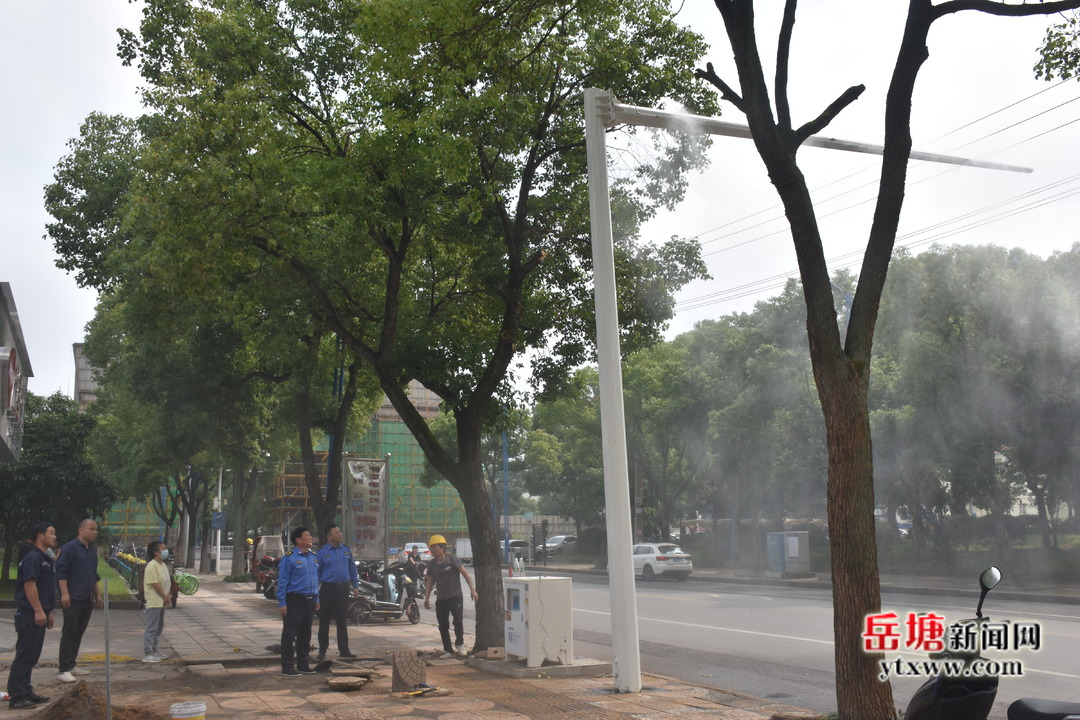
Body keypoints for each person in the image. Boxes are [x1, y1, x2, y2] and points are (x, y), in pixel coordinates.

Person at [6, 522, 58, 710]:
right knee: (24, 655)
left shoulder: (46, 558)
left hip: (41, 613)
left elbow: (47, 589)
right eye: (51, 533)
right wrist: (37, 610)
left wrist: (49, 611)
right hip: (29, 614)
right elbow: (29, 585)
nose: (55, 536)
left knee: (32, 655)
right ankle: (17, 696)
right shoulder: (32, 558)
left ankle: (26, 691)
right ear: (40, 536)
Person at [55, 519, 103, 682]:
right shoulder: (69, 548)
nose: (95, 532)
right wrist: (64, 593)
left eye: (96, 529)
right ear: (81, 530)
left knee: (79, 632)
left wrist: (97, 594)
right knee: (69, 631)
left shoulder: (91, 550)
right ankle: (63, 669)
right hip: (73, 597)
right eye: (91, 529)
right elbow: (62, 572)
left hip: (87, 597)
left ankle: (71, 664)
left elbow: (94, 574)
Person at [422, 534, 477, 659]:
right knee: (443, 625)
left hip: (455, 597)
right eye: (431, 548)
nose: (432, 550)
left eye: (435, 547)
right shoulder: (431, 564)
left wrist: (473, 590)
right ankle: (448, 650)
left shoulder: (452, 559)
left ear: (442, 548)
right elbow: (429, 581)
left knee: (458, 621)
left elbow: (465, 574)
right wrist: (426, 598)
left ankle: (460, 644)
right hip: (441, 599)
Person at [277, 527, 320, 677]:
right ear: (298, 540)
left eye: (310, 535)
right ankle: (287, 666)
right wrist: (282, 602)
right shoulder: (289, 558)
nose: (310, 538)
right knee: (289, 634)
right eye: (307, 535)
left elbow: (315, 581)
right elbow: (283, 581)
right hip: (294, 600)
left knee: (305, 634)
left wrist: (317, 598)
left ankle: (303, 664)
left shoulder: (312, 557)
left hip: (310, 600)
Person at [315, 524, 358, 661]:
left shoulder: (346, 550)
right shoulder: (321, 553)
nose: (340, 534)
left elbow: (352, 568)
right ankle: (322, 650)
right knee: (324, 621)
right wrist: (315, 593)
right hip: (327, 589)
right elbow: (317, 573)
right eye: (337, 532)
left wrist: (355, 585)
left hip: (343, 589)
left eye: (340, 532)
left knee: (342, 620)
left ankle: (344, 649)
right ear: (329, 537)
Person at [141, 540, 172, 663]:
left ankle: (155, 650)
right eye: (163, 549)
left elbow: (166, 582)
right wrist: (164, 596)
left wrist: (168, 596)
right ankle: (148, 653)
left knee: (159, 627)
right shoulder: (151, 566)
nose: (166, 551)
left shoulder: (162, 565)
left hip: (162, 601)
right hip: (154, 601)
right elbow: (154, 583)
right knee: (151, 627)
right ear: (155, 552)